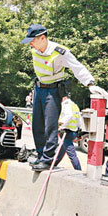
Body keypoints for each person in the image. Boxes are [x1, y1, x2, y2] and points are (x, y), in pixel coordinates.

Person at [21, 24, 98, 171]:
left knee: (50, 126)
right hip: (38, 89)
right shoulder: (34, 50)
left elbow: (77, 67)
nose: (30, 44)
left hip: (53, 90)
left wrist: (90, 83)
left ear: (42, 38)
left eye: (32, 40)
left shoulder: (59, 52)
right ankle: (40, 155)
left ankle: (48, 159)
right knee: (37, 125)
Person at [56, 95, 82, 170]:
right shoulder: (74, 105)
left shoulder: (66, 105)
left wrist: (60, 125)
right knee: (62, 149)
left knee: (71, 153)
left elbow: (69, 116)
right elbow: (79, 119)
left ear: (63, 97)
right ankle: (54, 163)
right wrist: (79, 129)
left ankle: (78, 169)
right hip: (73, 131)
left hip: (66, 132)